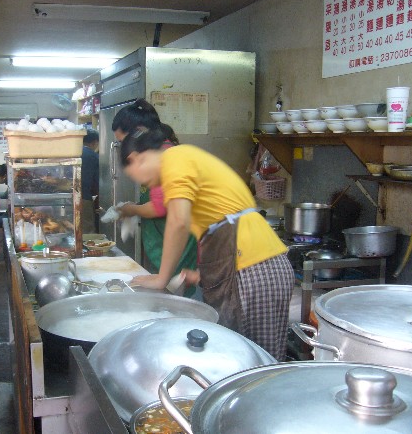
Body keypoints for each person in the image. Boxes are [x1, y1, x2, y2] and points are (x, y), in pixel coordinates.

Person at [120, 127, 294, 361]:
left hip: (255, 268)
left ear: (135, 159)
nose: (147, 187)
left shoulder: (174, 160)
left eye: (133, 175)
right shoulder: (185, 159)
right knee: (246, 360)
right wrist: (202, 275)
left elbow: (179, 222)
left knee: (255, 365)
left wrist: (162, 278)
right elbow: (218, 223)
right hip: (256, 266)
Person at [111, 99, 198, 287]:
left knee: (180, 296)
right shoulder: (163, 155)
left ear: (138, 133)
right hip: (166, 241)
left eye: (123, 142)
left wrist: (131, 209)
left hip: (180, 246)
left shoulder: (168, 157)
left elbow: (165, 210)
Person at [81, 129, 99, 233]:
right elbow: (98, 181)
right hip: (85, 197)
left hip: (69, 196)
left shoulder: (75, 152)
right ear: (95, 142)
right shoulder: (93, 156)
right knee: (87, 230)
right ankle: (88, 249)